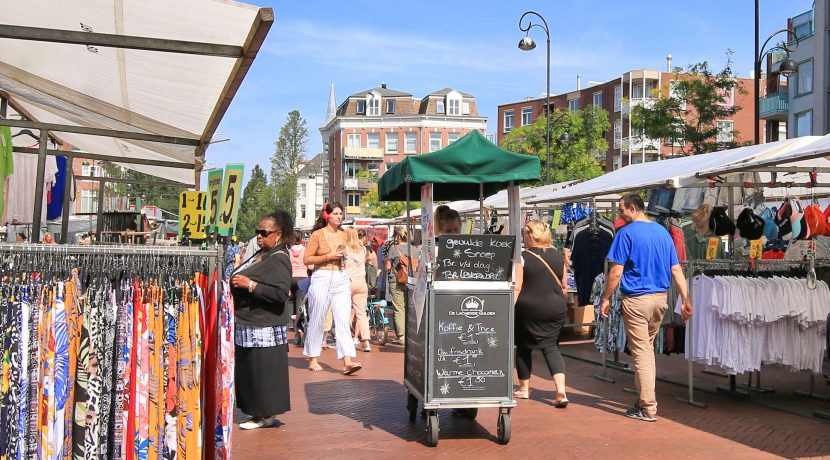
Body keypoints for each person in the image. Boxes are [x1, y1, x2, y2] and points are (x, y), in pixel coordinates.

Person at [600, 194, 693, 422]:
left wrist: (606, 297)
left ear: (632, 208)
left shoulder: (626, 234)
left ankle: (648, 406)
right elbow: (676, 270)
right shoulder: (663, 233)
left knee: (641, 352)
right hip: (660, 300)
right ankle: (643, 399)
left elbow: (616, 271)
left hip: (637, 300)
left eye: (622, 209)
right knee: (647, 350)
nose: (619, 214)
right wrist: (685, 298)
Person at [229, 211, 294, 430]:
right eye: (257, 232)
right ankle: (254, 412)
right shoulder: (261, 254)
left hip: (264, 325)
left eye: (264, 232)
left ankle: (265, 414)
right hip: (249, 322)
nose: (259, 236)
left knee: (261, 372)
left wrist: (250, 285)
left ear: (278, 234)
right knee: (249, 372)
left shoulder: (279, 258)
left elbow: (280, 293)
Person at [512, 220, 570, 407]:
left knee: (523, 346)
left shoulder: (522, 257)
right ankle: (561, 392)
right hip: (555, 308)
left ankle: (524, 389)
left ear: (530, 235)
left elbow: (518, 286)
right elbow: (564, 286)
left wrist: (508, 307)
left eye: (524, 233)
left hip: (529, 308)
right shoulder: (558, 254)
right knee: (551, 347)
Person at [303, 202, 362, 375]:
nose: (339, 216)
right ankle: (313, 357)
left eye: (341, 214)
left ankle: (348, 361)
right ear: (327, 215)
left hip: (341, 276)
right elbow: (307, 259)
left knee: (343, 319)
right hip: (322, 276)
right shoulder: (317, 234)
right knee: (318, 317)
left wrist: (343, 256)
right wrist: (328, 256)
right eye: (336, 213)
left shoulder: (344, 235)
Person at [384, 226, 420, 345]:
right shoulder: (415, 249)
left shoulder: (393, 249)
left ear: (398, 236)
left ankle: (401, 336)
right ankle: (411, 333)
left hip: (396, 280)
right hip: (412, 281)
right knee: (410, 307)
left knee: (399, 308)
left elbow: (388, 267)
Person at [344, 228, 371, 352]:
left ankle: (345, 336)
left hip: (348, 281)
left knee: (343, 310)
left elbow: (341, 266)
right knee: (361, 313)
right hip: (361, 282)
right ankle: (366, 341)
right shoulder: (363, 249)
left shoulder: (345, 249)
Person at [288, 230, 311, 319]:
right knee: (300, 299)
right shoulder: (305, 250)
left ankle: (289, 321)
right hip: (302, 277)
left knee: (290, 299)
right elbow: (310, 267)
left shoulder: (288, 251)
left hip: (291, 277)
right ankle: (298, 321)